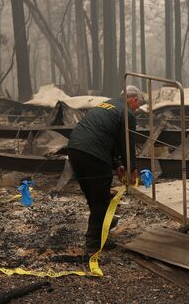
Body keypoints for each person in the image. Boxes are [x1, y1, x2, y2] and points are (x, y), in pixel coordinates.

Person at [67, 85, 146, 255]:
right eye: (138, 105)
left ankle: (104, 226)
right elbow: (126, 144)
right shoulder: (127, 113)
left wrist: (117, 165)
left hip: (75, 149)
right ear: (133, 100)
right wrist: (132, 169)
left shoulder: (107, 104)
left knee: (94, 195)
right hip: (94, 154)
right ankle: (94, 243)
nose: (137, 109)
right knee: (101, 200)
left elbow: (108, 137)